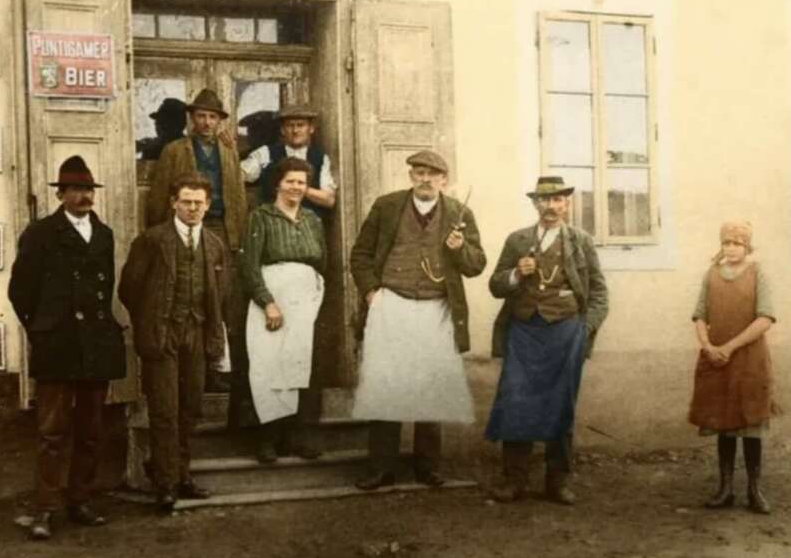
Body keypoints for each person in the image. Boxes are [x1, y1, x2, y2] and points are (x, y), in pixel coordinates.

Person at [349, 149, 486, 489]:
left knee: (431, 387)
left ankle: (429, 468)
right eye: (418, 173)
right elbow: (361, 255)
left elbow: (476, 264)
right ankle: (381, 468)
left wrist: (458, 248)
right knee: (386, 384)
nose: (425, 179)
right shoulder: (387, 206)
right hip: (391, 304)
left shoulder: (460, 213)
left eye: (432, 174)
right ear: (411, 176)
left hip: (436, 311)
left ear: (444, 180)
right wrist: (371, 293)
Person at [7, 155, 126, 540]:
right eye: (76, 190)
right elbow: (20, 291)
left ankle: (80, 501)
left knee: (91, 430)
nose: (84, 196)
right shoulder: (41, 234)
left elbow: (104, 290)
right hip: (58, 345)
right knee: (52, 432)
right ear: (61, 194)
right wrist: (42, 330)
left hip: (94, 345)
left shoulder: (104, 234)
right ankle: (44, 508)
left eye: (89, 190)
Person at [484, 176, 609, 505]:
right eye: (544, 200)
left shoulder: (581, 242)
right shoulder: (517, 240)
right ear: (535, 204)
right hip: (524, 331)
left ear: (567, 204)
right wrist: (516, 274)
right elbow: (496, 285)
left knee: (560, 405)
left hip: (565, 332)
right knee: (516, 402)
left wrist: (584, 329)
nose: (550, 207)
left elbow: (599, 293)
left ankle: (558, 482)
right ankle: (514, 481)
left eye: (557, 200)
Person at [119, 173, 229, 511]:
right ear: (173, 203)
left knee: (190, 408)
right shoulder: (152, 241)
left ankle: (182, 475)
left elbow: (219, 295)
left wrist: (209, 334)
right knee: (165, 409)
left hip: (195, 333)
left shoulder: (213, 244)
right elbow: (129, 290)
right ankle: (165, 484)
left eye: (199, 203)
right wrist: (153, 325)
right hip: (162, 335)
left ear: (207, 205)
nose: (193, 208)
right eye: (187, 202)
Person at [145, 88, 248, 398]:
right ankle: (188, 372)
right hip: (185, 229)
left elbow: (238, 196)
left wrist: (237, 236)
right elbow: (160, 194)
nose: (206, 122)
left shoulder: (228, 151)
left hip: (220, 228)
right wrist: (161, 235)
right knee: (187, 298)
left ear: (220, 122)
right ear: (191, 119)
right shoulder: (175, 151)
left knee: (218, 301)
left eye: (212, 117)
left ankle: (216, 369)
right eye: (201, 116)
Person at [240, 157, 327, 463]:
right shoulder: (260, 217)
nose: (296, 187)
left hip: (305, 303)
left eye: (301, 182)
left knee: (297, 366)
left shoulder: (312, 220)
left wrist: (312, 292)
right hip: (272, 301)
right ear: (277, 183)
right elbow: (249, 265)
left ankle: (294, 437)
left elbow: (321, 262)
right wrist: (268, 302)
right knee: (268, 367)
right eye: (290, 181)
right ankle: (267, 438)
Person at [688, 220, 777, 515]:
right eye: (726, 243)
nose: (731, 248)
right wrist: (708, 346)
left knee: (751, 427)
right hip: (717, 361)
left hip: (749, 359)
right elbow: (700, 315)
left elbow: (765, 318)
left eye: (737, 243)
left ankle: (754, 490)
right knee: (724, 425)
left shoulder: (758, 273)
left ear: (747, 246)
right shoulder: (711, 275)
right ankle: (725, 489)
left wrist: (730, 347)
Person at [240, 107, 337, 217]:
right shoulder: (265, 153)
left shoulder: (320, 158)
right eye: (290, 125)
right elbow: (239, 176)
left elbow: (329, 200)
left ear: (311, 129)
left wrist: (298, 188)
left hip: (308, 225)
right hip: (273, 222)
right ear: (282, 130)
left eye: (300, 125)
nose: (295, 130)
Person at [136, 97, 187, 161]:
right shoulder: (152, 146)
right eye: (158, 121)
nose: (156, 125)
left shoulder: (186, 148)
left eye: (162, 122)